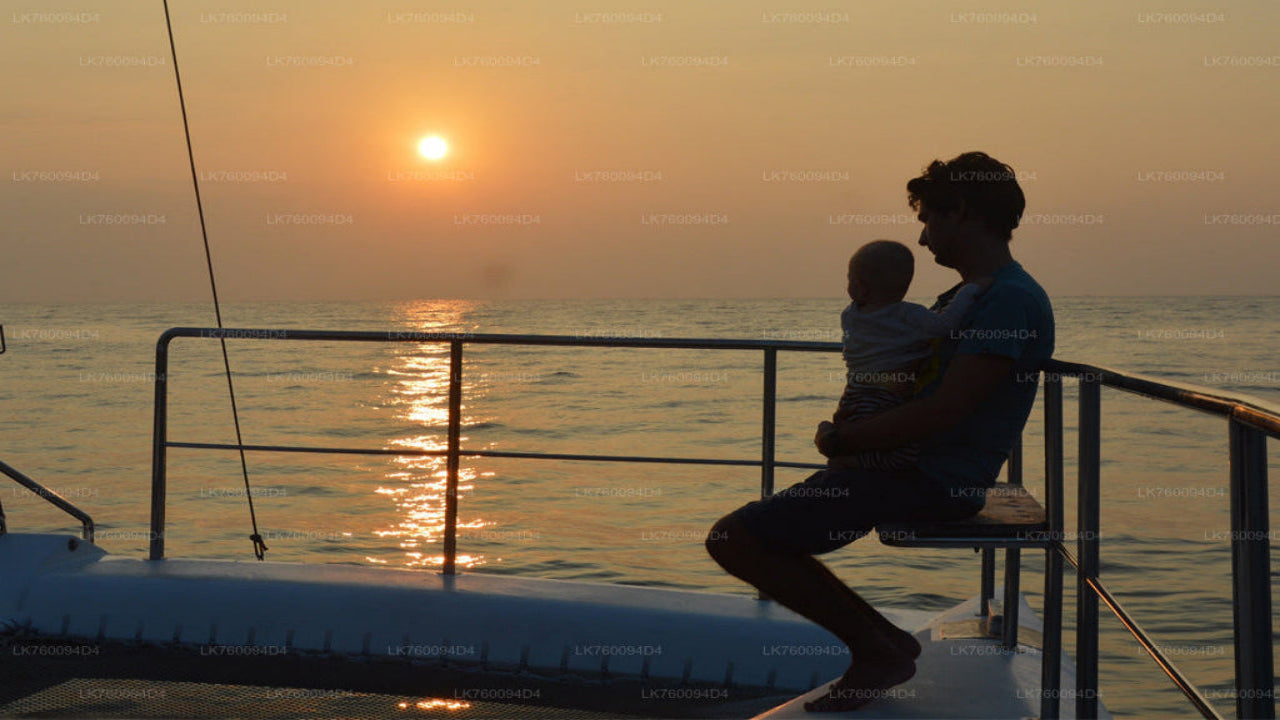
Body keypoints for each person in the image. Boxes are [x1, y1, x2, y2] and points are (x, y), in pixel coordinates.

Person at [705, 151, 1054, 713]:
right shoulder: (975, 297)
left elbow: (945, 410)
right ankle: (880, 644)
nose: (921, 239)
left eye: (928, 220)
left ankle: (879, 649)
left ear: (960, 211)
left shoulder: (1007, 299)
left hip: (930, 480)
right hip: (903, 469)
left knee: (733, 538)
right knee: (761, 530)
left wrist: (844, 442)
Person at [831, 239, 990, 470]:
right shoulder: (909, 315)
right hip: (889, 396)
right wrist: (969, 292)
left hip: (855, 393)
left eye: (850, 279)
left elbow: (884, 340)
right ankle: (856, 464)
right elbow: (945, 325)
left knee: (853, 433)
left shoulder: (850, 316)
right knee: (903, 456)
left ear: (859, 288)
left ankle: (849, 465)